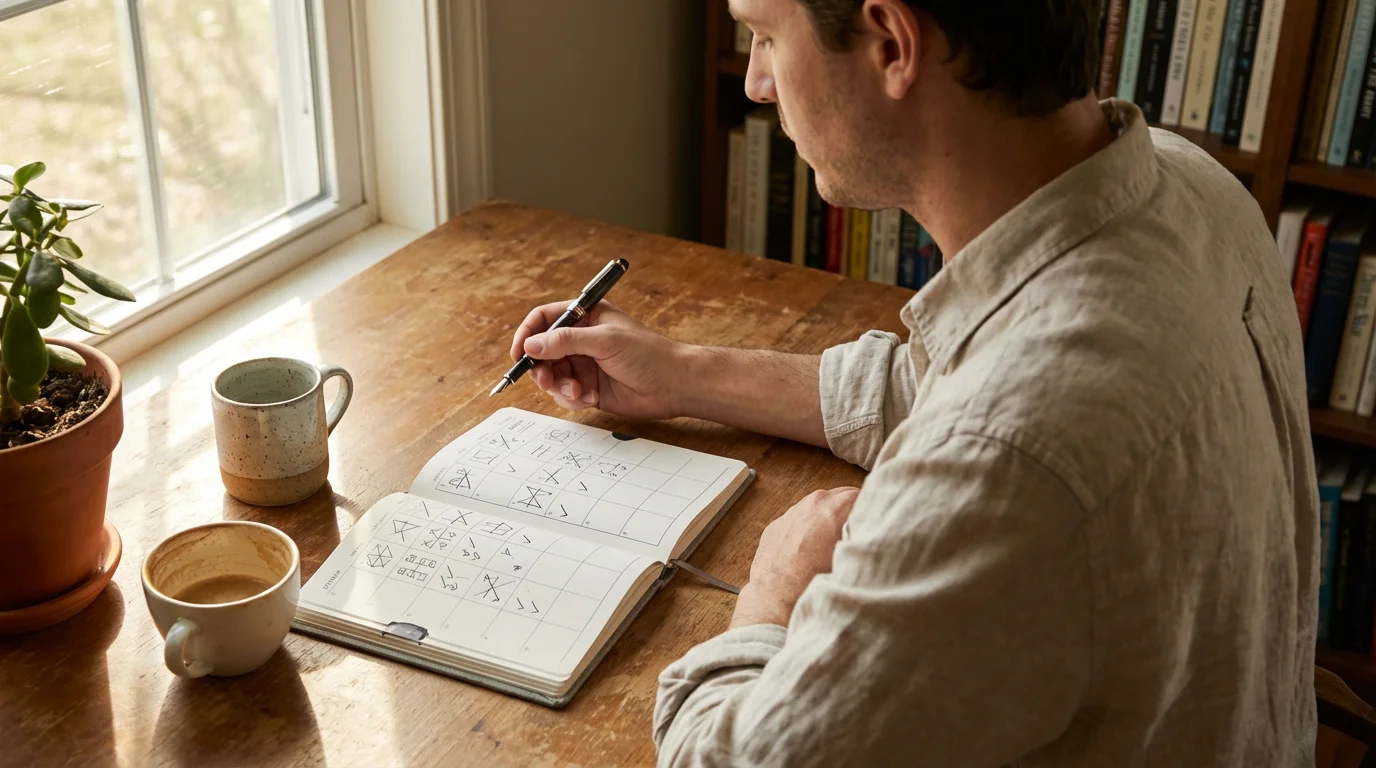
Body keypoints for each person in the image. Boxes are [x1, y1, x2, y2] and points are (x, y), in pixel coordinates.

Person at [509, 0, 1318, 764]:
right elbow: (956, 383)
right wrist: (684, 375)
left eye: (765, 36)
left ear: (892, 43)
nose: (756, 82)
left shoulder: (1015, 455)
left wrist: (772, 600)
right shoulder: (1188, 187)